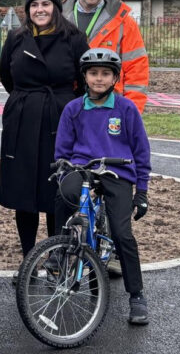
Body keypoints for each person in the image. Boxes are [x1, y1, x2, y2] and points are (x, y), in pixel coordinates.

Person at [0, 0, 89, 268]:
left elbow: (85, 78)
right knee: (24, 191)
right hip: (23, 119)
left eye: (45, 3)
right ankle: (28, 257)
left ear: (55, 7)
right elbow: (7, 77)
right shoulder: (16, 38)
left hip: (59, 118)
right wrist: (27, 100)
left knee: (55, 190)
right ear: (28, 9)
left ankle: (55, 257)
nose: (39, 9)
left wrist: (65, 107)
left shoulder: (74, 37)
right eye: (34, 4)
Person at [54, 48, 151, 325]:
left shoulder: (126, 108)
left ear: (114, 78)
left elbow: (141, 151)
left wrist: (141, 191)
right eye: (93, 73)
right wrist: (64, 173)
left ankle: (137, 294)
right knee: (63, 196)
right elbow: (61, 152)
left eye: (105, 73)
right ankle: (60, 254)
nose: (99, 78)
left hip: (117, 171)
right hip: (82, 169)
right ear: (84, 76)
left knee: (122, 233)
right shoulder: (73, 109)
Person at [62, 0, 149, 114]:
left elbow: (137, 73)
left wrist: (131, 114)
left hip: (109, 109)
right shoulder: (58, 19)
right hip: (67, 107)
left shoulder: (124, 23)